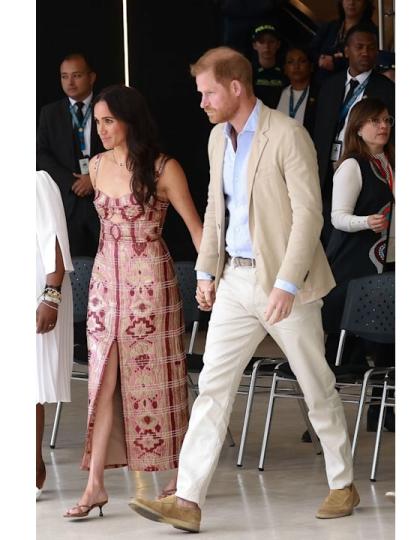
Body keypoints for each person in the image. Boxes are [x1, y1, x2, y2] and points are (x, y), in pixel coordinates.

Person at [128, 47, 359, 534]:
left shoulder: (287, 135)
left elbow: (308, 216)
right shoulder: (217, 138)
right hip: (234, 278)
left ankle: (343, 482)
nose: (202, 102)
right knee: (212, 386)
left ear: (236, 87)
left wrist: (287, 283)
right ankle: (188, 499)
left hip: (283, 281)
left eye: (208, 92)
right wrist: (207, 272)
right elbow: (217, 208)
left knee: (316, 384)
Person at [64, 85, 204, 519]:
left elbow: (197, 231)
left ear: (130, 120)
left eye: (109, 120)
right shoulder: (98, 164)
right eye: (98, 121)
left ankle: (180, 473)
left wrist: (211, 279)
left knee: (163, 375)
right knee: (102, 382)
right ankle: (95, 485)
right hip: (106, 285)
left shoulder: (164, 167)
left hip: (152, 286)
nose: (101, 129)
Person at [322, 97, 394, 366]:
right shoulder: (352, 165)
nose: (383, 125)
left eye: (387, 120)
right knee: (343, 349)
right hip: (353, 265)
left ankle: (382, 408)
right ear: (358, 128)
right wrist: (366, 222)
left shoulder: (389, 162)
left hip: (384, 264)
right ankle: (325, 404)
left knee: (386, 344)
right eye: (375, 120)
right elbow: (338, 218)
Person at [312, 24, 394, 245]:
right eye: (359, 47)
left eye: (371, 47)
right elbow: (317, 130)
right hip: (326, 168)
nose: (365, 52)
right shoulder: (330, 85)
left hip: (364, 167)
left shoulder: (387, 89)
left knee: (352, 227)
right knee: (326, 228)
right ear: (347, 50)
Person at [37, 53, 106, 257]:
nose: (70, 82)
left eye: (76, 75)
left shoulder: (107, 107)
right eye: (64, 76)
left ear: (91, 77)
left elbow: (119, 148)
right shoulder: (50, 113)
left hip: (103, 197)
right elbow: (41, 154)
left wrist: (92, 179)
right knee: (71, 261)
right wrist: (71, 182)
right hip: (67, 200)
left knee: (106, 257)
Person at [35, 170, 74, 500]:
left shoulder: (36, 181)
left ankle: (33, 466)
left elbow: (55, 241)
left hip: (37, 291)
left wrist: (51, 295)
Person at [309, 0, 374, 85]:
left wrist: (336, 63)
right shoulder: (330, 26)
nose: (351, 2)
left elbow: (367, 61)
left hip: (353, 84)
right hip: (322, 84)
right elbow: (311, 50)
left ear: (365, 3)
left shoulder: (371, 32)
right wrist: (320, 59)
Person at [275, 46, 319, 135]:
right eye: (290, 62)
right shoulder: (276, 94)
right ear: (285, 69)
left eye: (302, 61)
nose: (296, 66)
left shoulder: (320, 95)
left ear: (311, 66)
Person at [251, 23, 288, 109]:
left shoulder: (286, 71)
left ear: (278, 44)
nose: (267, 46)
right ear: (254, 45)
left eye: (271, 41)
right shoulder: (248, 71)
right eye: (261, 42)